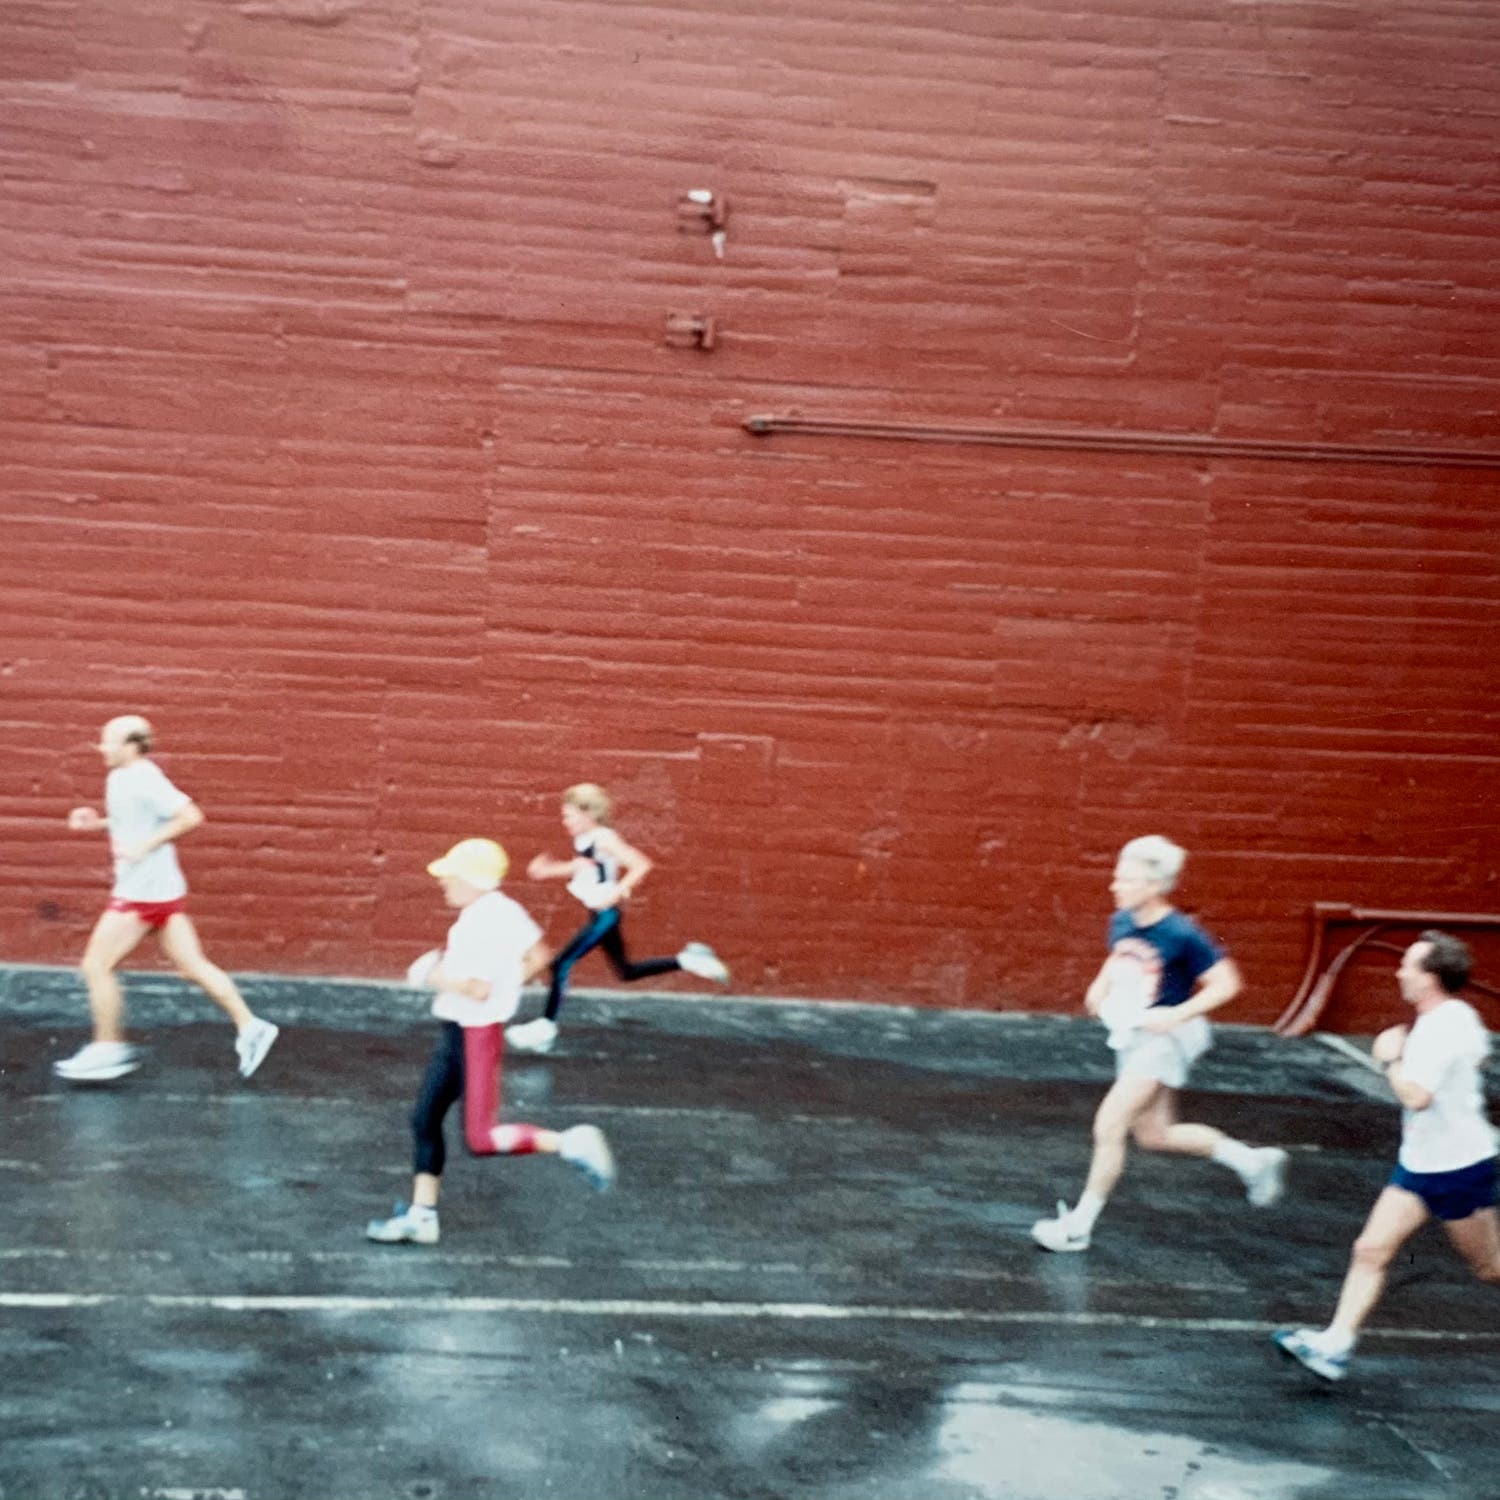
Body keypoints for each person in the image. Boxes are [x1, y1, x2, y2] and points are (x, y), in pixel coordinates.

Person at [1031, 835, 1287, 1251]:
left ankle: (1079, 1227)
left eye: (1126, 880)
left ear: (1153, 886)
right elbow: (1118, 958)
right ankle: (1252, 1161)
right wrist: (1100, 987)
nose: (1115, 886)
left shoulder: (1182, 934)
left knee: (1109, 1124)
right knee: (1155, 1134)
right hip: (1134, 1035)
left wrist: (1177, 1014)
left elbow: (1227, 984)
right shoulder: (1123, 920)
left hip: (1166, 1040)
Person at [366, 837, 616, 1245]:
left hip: (474, 1034)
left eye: (451, 876)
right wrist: (506, 986)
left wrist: (430, 973)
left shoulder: (480, 922)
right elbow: (539, 955)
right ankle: (422, 1216)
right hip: (461, 1031)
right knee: (424, 1119)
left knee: (481, 1139)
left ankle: (571, 1142)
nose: (444, 883)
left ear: (472, 880)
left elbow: (477, 989)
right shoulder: (502, 911)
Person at [1274, 930, 1500, 1381]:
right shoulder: (1459, 1017)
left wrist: (1388, 1059)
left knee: (1490, 1267)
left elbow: (1416, 1096)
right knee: (1370, 1249)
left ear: (1431, 978)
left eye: (1409, 966)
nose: (1400, 972)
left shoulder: (1441, 1028)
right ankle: (1334, 1347)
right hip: (1420, 1164)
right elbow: (1473, 1057)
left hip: (1458, 1169)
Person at [54, 714, 279, 1083]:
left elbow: (190, 816)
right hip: (162, 893)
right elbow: (137, 819)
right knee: (192, 966)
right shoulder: (121, 777)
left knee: (96, 966)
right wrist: (98, 824)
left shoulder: (144, 777)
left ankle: (107, 1049)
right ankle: (251, 1026)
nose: (102, 748)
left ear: (131, 745)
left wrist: (147, 844)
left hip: (141, 894)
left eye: (109, 741)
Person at [505, 783, 730, 1055]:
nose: (564, 821)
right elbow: (583, 870)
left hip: (606, 915)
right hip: (600, 913)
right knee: (625, 971)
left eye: (569, 815)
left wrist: (615, 895)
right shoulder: (585, 840)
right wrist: (548, 871)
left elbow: (641, 864)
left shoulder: (603, 838)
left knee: (561, 963)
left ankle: (545, 1028)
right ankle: (688, 960)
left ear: (589, 814)